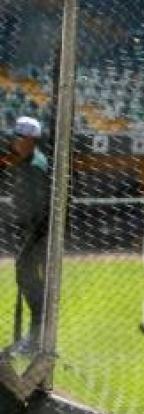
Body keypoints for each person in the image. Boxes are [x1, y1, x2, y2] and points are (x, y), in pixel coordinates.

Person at [2, 117, 50, 356]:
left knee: (28, 279)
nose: (15, 141)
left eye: (20, 137)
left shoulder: (34, 166)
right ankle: (35, 336)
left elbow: (37, 209)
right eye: (15, 136)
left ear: (32, 140)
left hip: (37, 234)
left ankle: (36, 338)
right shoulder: (26, 161)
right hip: (32, 232)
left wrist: (29, 237)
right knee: (26, 278)